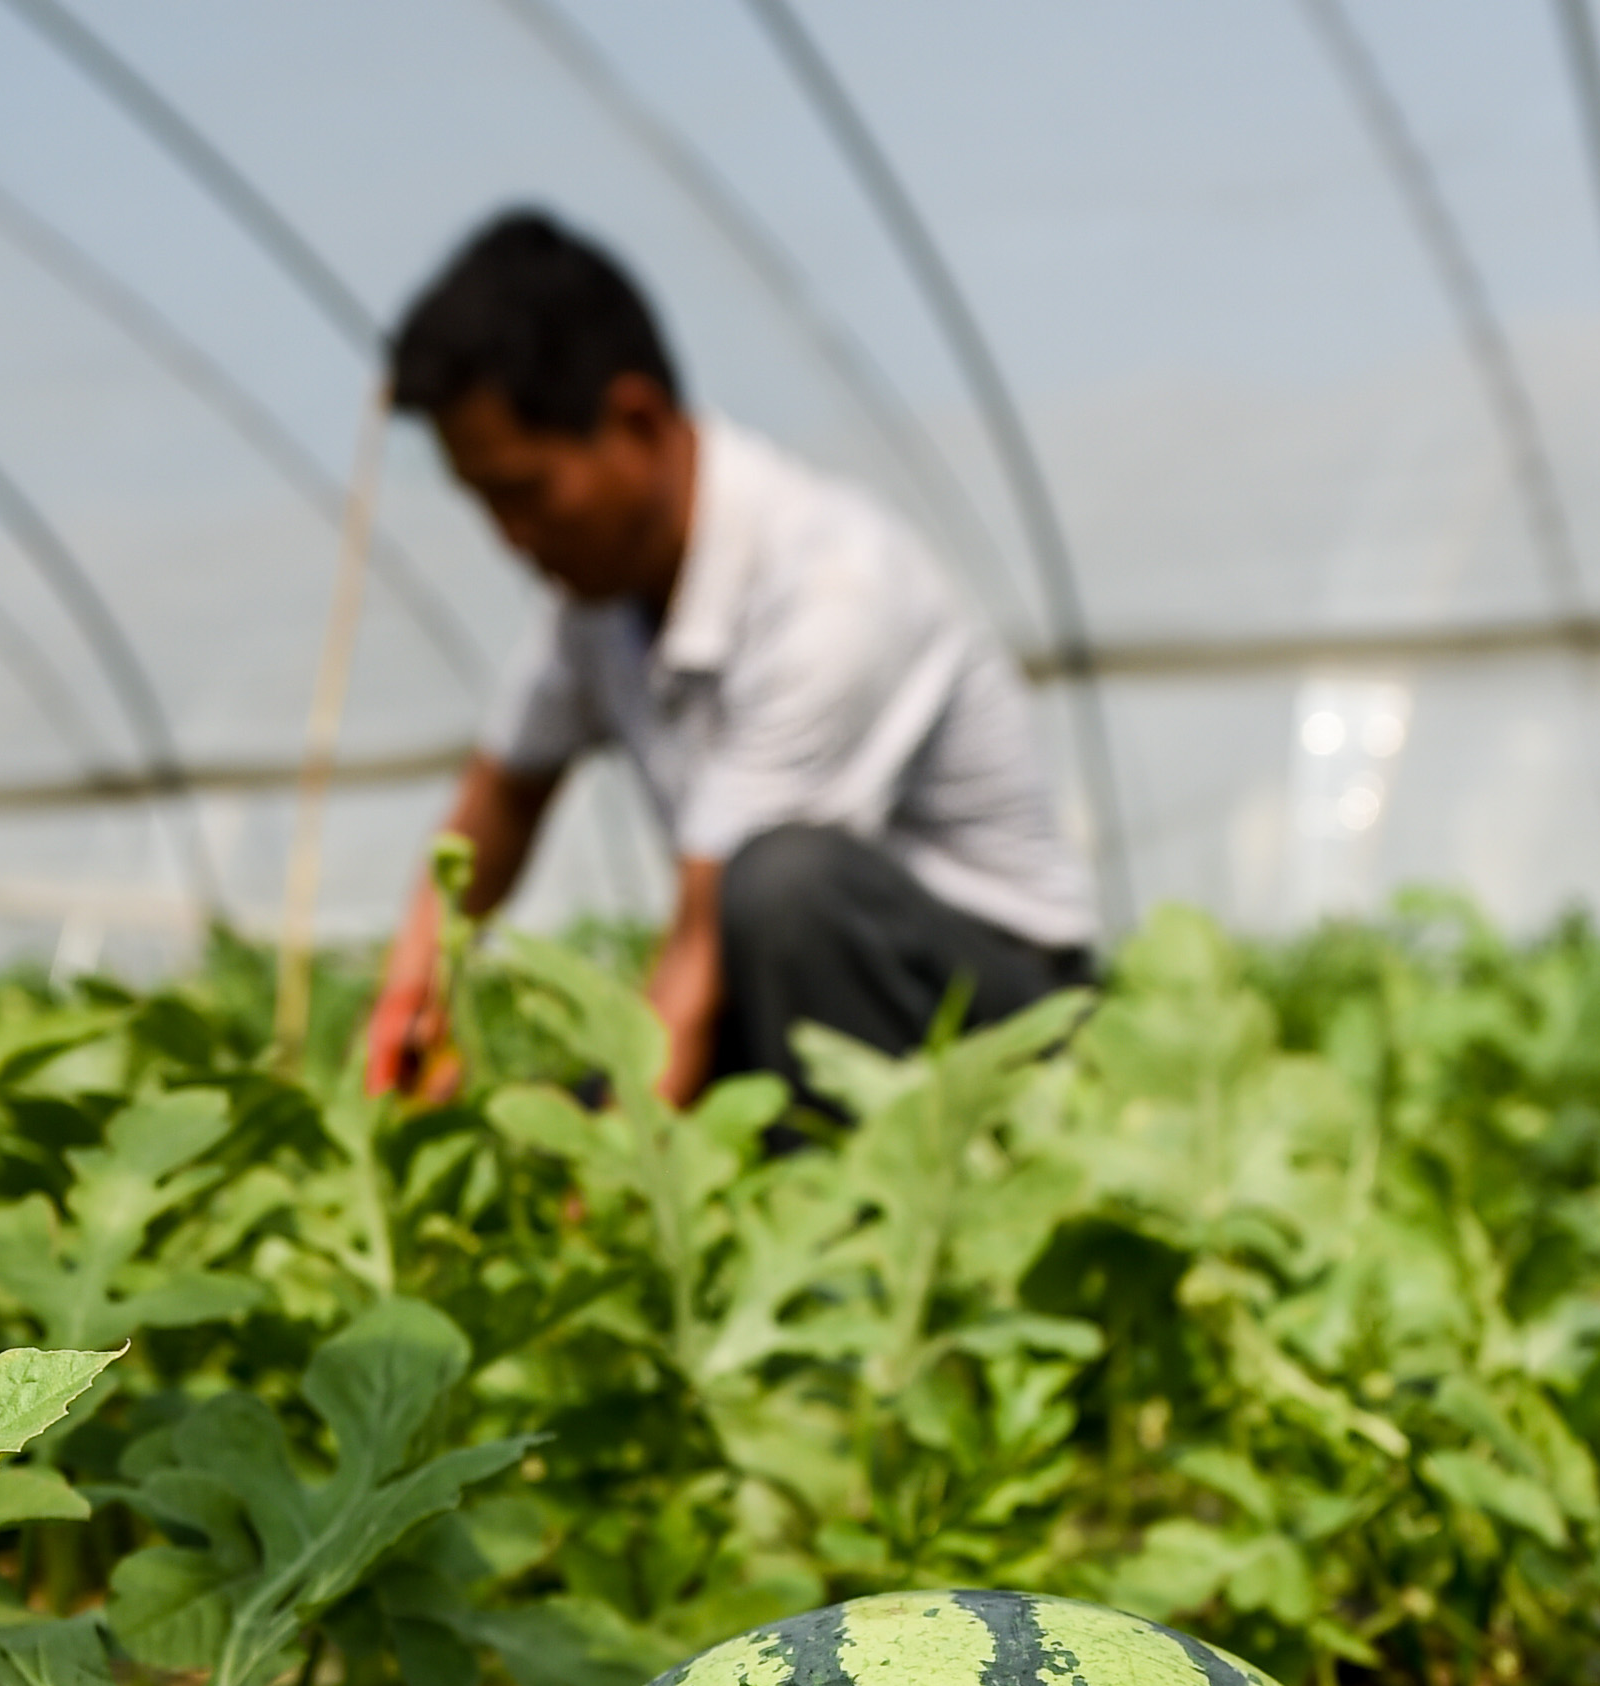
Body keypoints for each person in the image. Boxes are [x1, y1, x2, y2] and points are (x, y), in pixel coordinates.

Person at [365, 210, 1096, 1107]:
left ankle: (865, 1181)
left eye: (526, 492)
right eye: (483, 502)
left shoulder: (830, 586)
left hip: (1003, 1012)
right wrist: (412, 992)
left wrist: (620, 1169)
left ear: (634, 419)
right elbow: (504, 796)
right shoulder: (595, 600)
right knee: (536, 1126)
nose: (510, 539)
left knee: (781, 884)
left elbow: (706, 939)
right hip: (788, 993)